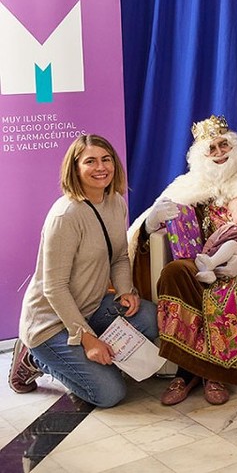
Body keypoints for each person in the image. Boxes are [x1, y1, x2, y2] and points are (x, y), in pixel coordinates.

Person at [130, 115, 237, 406]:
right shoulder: (185, 187)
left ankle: (211, 374)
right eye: (211, 148)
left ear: (235, 147)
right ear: (200, 157)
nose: (219, 153)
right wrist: (150, 224)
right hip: (201, 261)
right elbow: (147, 235)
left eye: (223, 145)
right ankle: (188, 372)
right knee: (175, 272)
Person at [9, 135, 158, 407]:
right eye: (90, 161)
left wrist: (125, 291)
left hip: (91, 307)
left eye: (106, 159)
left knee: (150, 318)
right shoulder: (65, 216)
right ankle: (33, 358)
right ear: (75, 168)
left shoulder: (116, 202)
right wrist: (87, 338)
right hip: (50, 324)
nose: (101, 167)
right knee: (110, 394)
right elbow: (54, 287)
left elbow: (119, 257)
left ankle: (85, 357)